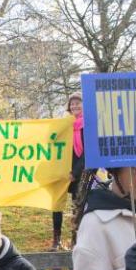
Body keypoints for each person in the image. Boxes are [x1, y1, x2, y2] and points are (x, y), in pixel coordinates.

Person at [52, 93, 85, 250]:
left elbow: (88, 152)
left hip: (80, 173)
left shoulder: (88, 125)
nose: (75, 106)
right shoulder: (64, 125)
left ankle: (75, 239)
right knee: (57, 205)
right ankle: (56, 240)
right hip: (62, 171)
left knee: (77, 207)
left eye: (78, 103)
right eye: (72, 104)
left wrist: (75, 173)